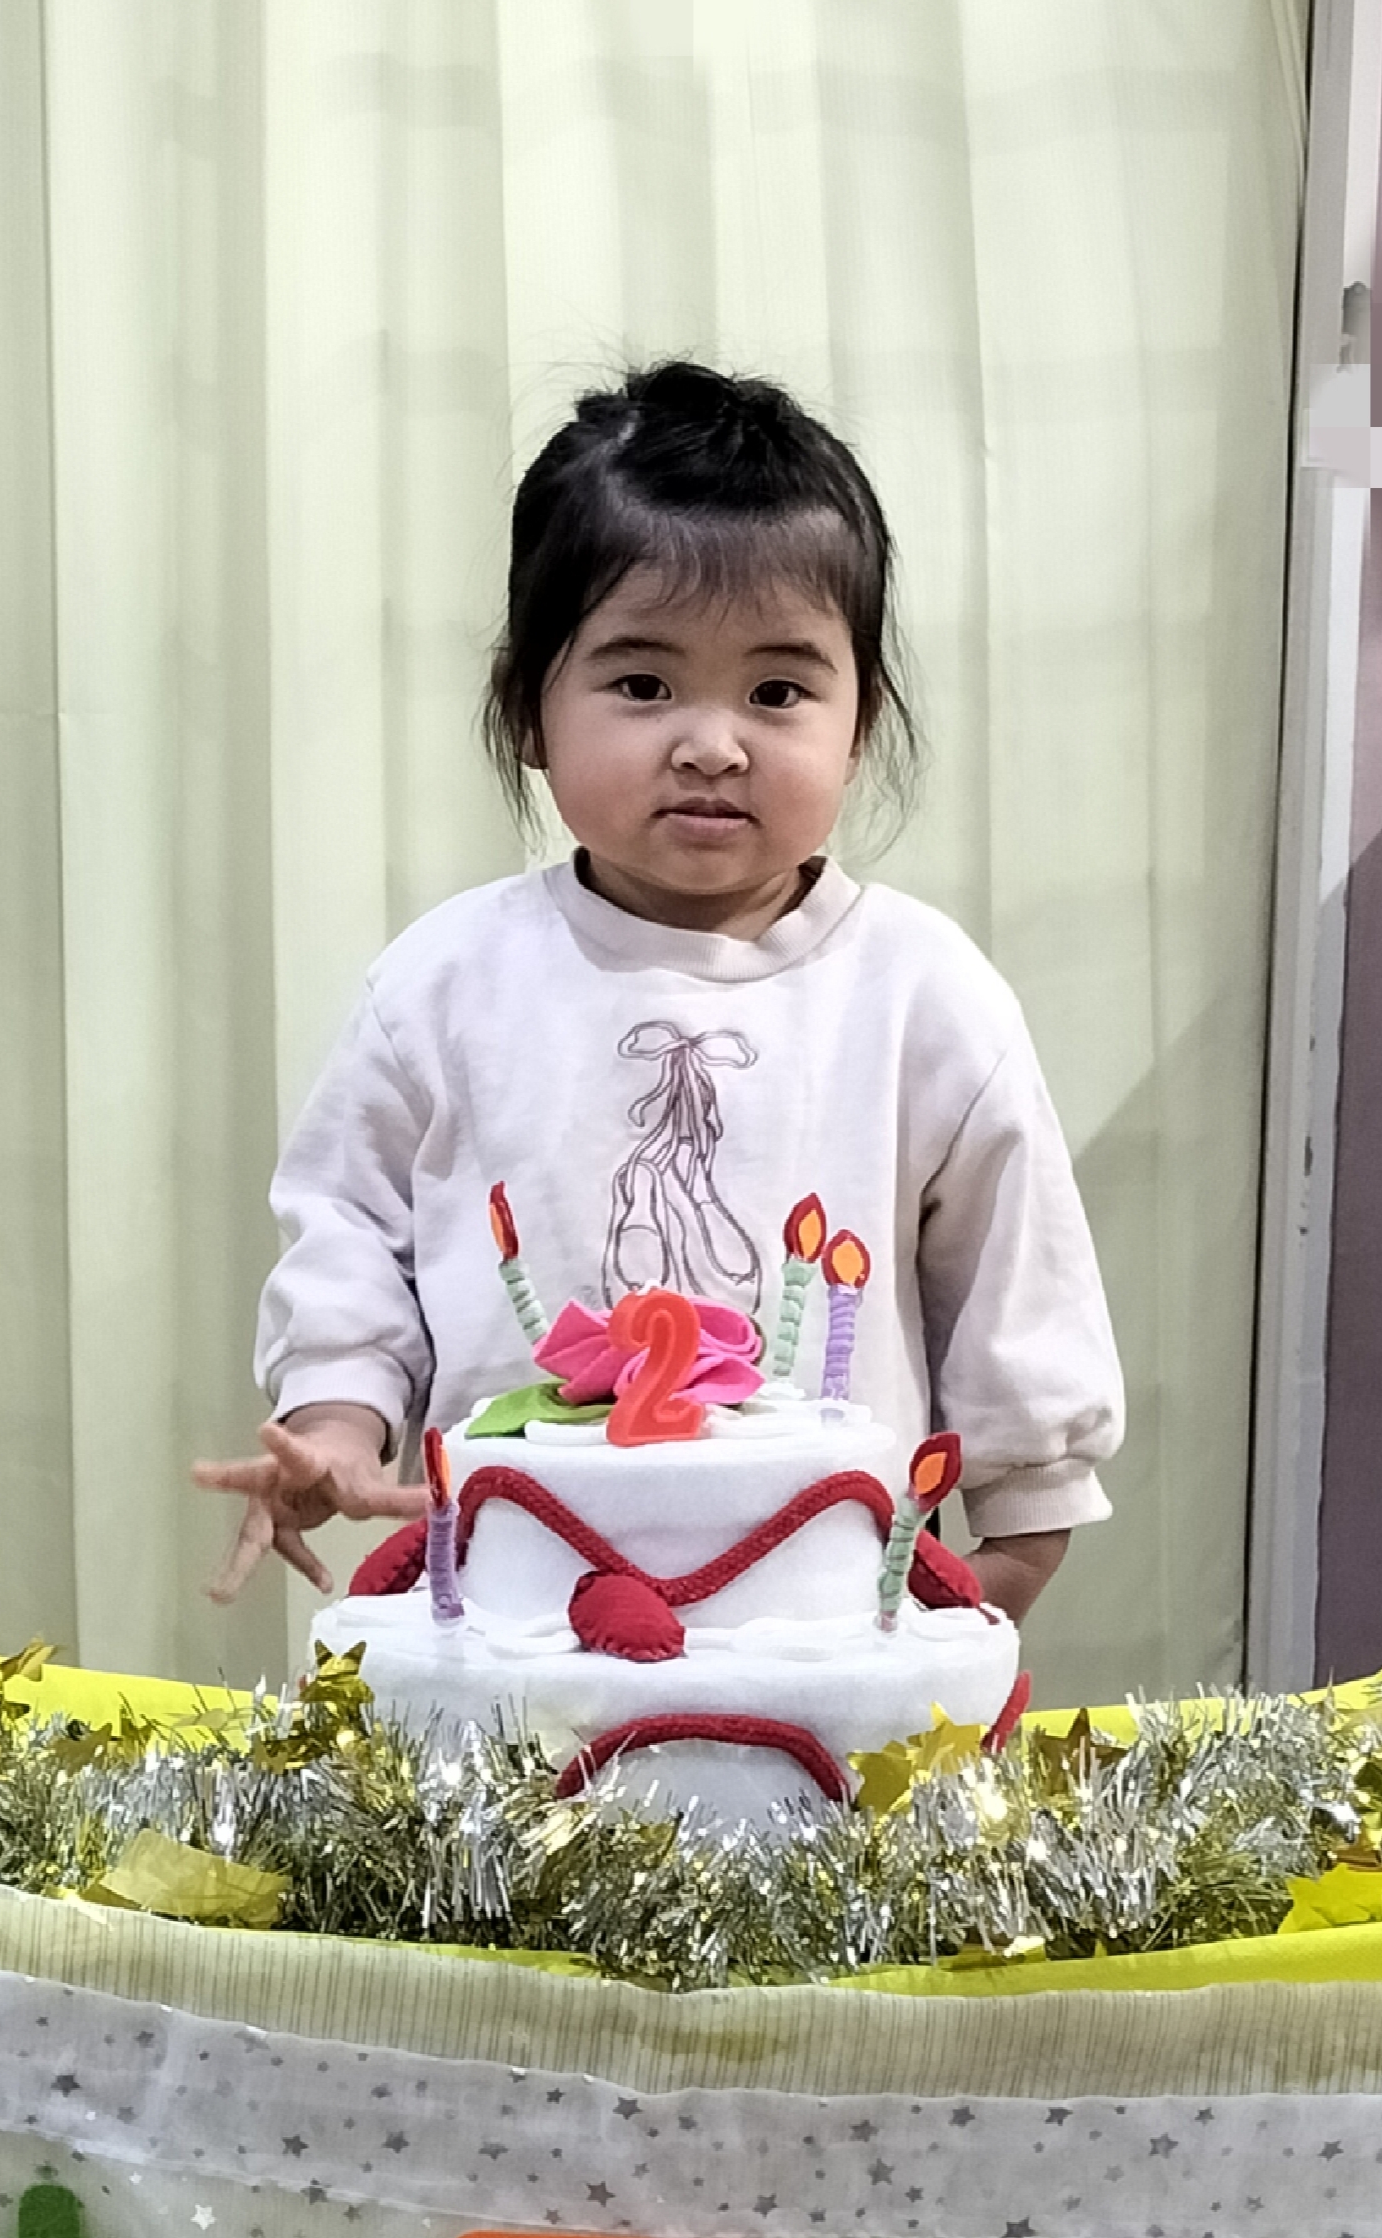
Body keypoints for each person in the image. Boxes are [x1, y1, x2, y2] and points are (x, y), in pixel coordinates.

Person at [198, 360, 1122, 1629]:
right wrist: (334, 1427)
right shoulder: (444, 984)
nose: (712, 743)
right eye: (642, 684)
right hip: (511, 1629)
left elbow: (1022, 1317)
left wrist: (962, 1610)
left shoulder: (924, 993)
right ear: (527, 708)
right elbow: (352, 1242)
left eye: (777, 691)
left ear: (859, 722)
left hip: (819, 1633)